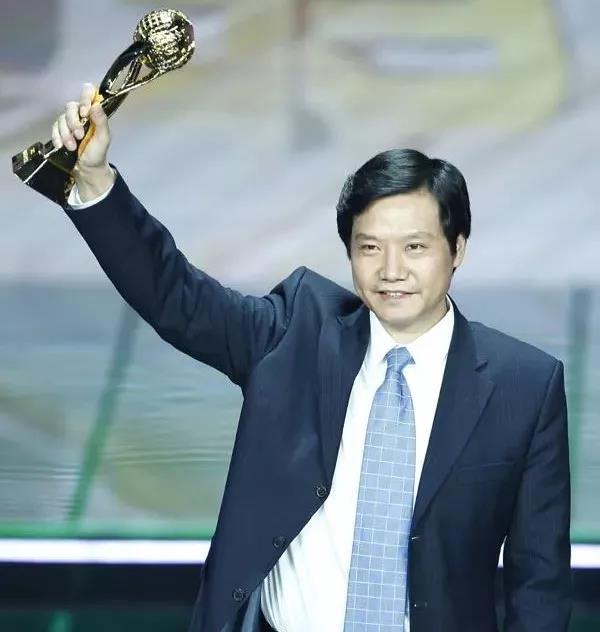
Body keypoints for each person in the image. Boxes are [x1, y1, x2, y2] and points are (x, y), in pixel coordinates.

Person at [50, 83, 572, 632]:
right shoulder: (295, 333)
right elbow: (175, 296)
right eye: (370, 247)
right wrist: (94, 178)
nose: (391, 270)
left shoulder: (524, 386)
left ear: (457, 248)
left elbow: (539, 582)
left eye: (415, 247)